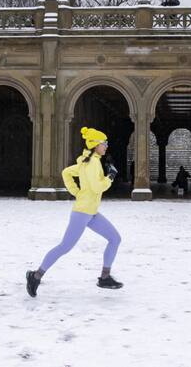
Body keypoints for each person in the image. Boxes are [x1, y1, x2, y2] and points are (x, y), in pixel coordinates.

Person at [26, 127, 123, 297]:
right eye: (104, 143)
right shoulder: (91, 163)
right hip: (82, 213)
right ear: (95, 145)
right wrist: (110, 177)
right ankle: (35, 276)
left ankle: (105, 277)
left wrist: (77, 191)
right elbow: (97, 186)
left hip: (91, 212)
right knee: (65, 247)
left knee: (115, 239)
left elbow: (66, 173)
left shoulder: (87, 161)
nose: (106, 146)